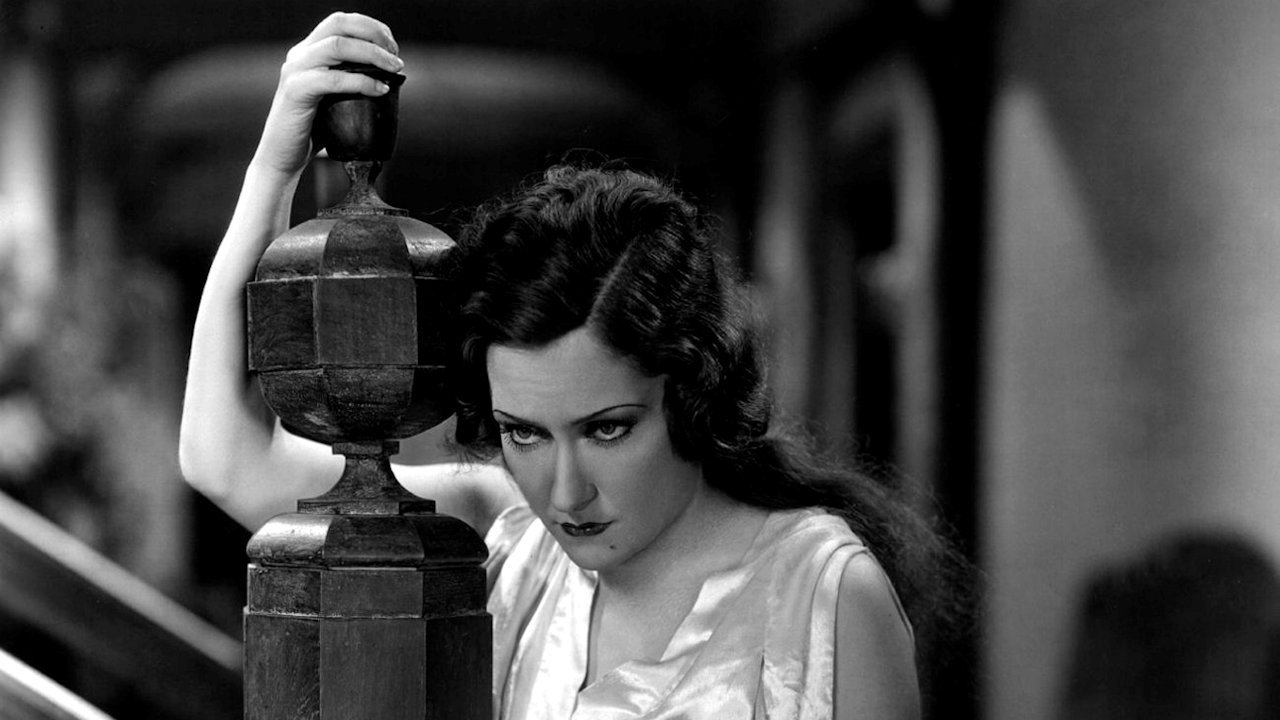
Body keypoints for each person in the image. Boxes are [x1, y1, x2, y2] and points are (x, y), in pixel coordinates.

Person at [179, 12, 971, 720]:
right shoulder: (508, 541)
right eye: (524, 433)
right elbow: (225, 459)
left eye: (607, 429)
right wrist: (273, 170)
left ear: (690, 390)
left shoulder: (824, 596)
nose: (565, 493)